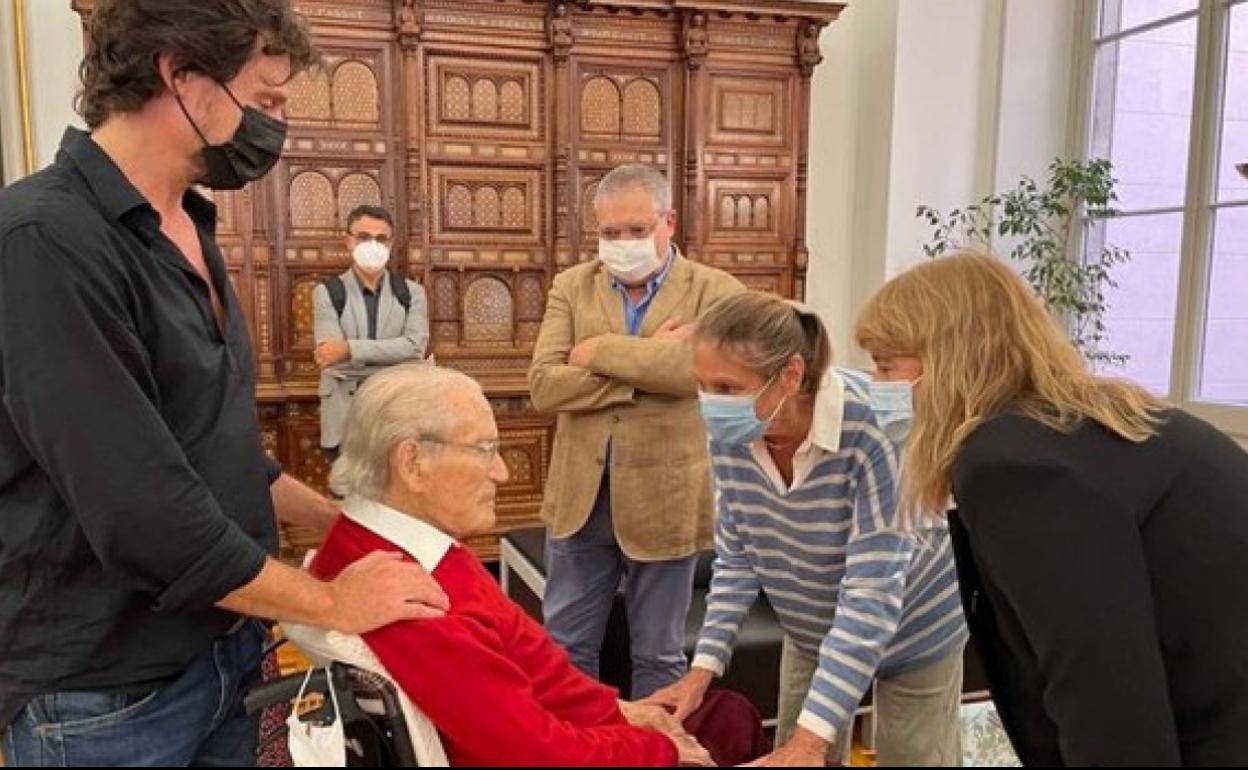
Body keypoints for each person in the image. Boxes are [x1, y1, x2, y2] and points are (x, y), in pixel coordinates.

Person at [0, 2, 445, 765]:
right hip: (110, 691)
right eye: (266, 99)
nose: (276, 126)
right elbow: (144, 512)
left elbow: (218, 450)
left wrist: (345, 524)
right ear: (180, 74)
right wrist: (333, 601)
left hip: (227, 643)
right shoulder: (45, 239)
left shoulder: (190, 225)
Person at [853, 250, 1248, 766]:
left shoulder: (1012, 465)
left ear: (948, 359)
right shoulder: (1073, 427)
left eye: (886, 365)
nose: (875, 386)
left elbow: (1102, 690)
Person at [309, 363, 746, 767]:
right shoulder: (399, 590)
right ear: (412, 462)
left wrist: (622, 713)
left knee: (724, 713)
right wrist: (661, 750)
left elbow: (536, 667)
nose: (501, 472)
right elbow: (536, 752)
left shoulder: (391, 544)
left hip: (556, 733)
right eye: (485, 449)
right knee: (729, 725)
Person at [647, 291, 967, 767]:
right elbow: (737, 560)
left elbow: (870, 595)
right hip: (812, 628)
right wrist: (702, 670)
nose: (711, 404)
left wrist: (810, 742)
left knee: (908, 758)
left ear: (791, 375)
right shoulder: (733, 434)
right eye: (702, 385)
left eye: (728, 388)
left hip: (913, 626)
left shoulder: (875, 429)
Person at [528, 163, 743, 698]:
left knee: (659, 654)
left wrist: (598, 352)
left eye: (636, 230)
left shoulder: (717, 293)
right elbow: (544, 386)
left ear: (668, 222)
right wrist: (645, 367)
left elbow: (697, 376)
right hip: (581, 498)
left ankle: (653, 754)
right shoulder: (571, 287)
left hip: (664, 501)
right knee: (566, 647)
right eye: (609, 233)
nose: (622, 243)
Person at [313, 204, 429, 460]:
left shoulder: (412, 293)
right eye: (364, 237)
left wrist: (349, 349)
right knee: (349, 498)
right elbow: (330, 356)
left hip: (399, 416)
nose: (373, 245)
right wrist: (395, 359)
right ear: (349, 241)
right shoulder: (328, 293)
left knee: (398, 499)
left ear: (391, 244)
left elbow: (414, 348)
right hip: (346, 417)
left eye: (381, 239)